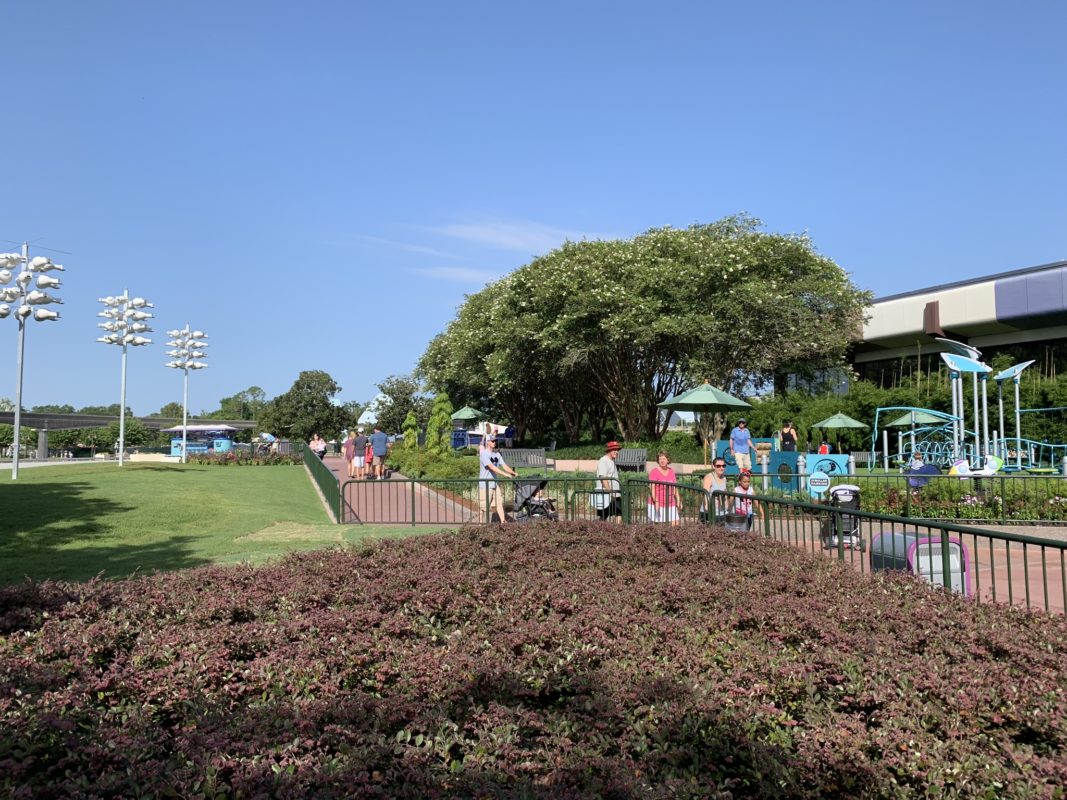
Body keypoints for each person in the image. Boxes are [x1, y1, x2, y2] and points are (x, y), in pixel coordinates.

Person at [479, 434, 518, 522]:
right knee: (483, 506)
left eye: (495, 441)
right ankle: (480, 524)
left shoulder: (497, 454)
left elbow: (504, 466)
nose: (494, 442)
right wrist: (505, 474)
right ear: (488, 442)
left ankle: (503, 522)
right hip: (485, 484)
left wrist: (513, 473)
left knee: (499, 503)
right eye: (492, 441)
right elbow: (491, 467)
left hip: (494, 483)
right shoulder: (484, 454)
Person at [647, 451, 682, 526]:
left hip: (670, 502)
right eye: (660, 459)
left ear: (668, 460)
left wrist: (678, 500)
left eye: (664, 459)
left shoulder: (671, 471)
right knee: (658, 526)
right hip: (658, 502)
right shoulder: (654, 472)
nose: (662, 461)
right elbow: (652, 488)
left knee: (676, 523)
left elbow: (675, 487)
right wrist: (656, 501)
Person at [595, 440, 623, 522]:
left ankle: (616, 529)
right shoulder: (604, 461)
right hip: (608, 494)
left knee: (618, 514)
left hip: (614, 494)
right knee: (604, 516)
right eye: (614, 450)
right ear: (609, 450)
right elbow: (603, 479)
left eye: (617, 450)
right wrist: (610, 493)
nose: (617, 452)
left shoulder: (611, 461)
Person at [701, 457, 729, 522]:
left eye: (723, 466)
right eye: (718, 466)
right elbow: (705, 493)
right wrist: (707, 507)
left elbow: (725, 492)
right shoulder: (709, 477)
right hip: (710, 512)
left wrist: (727, 506)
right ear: (714, 466)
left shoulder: (724, 478)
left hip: (722, 512)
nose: (721, 468)